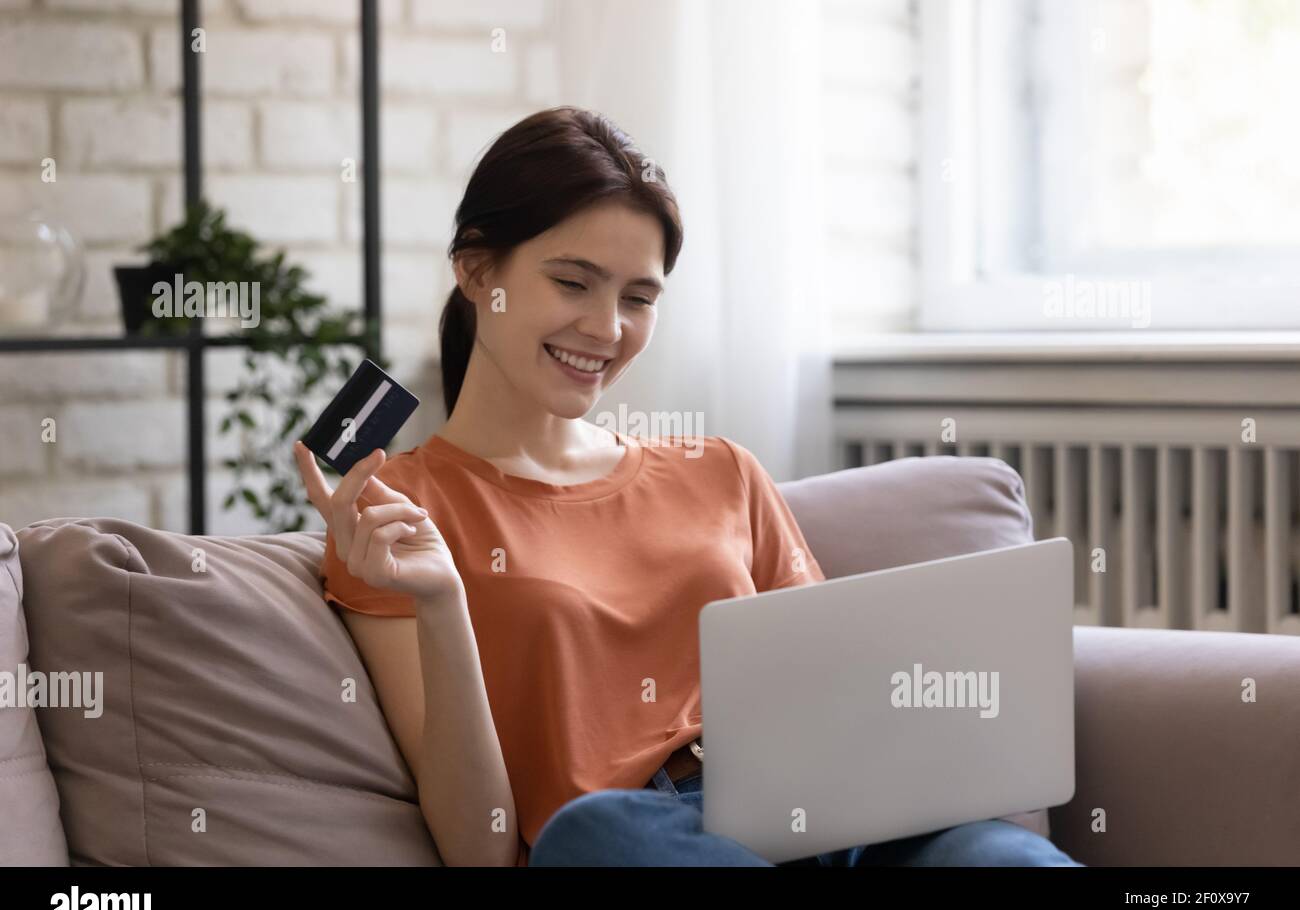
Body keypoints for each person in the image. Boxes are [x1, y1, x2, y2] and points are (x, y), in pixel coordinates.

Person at [293, 106, 1083, 868]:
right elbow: (479, 845)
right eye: (573, 283)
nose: (607, 330)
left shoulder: (723, 472)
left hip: (829, 815)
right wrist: (442, 603)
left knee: (996, 849)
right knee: (589, 835)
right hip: (642, 838)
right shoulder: (396, 515)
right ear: (475, 270)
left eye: (638, 298)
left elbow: (830, 697)